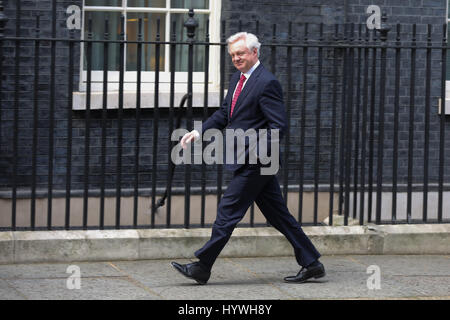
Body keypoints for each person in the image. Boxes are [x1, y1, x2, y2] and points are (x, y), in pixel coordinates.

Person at [171, 32, 325, 285]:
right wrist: (198, 132)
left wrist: (256, 153)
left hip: (255, 162)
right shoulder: (237, 79)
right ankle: (312, 263)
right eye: (232, 54)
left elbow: (279, 126)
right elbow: (224, 113)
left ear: (255, 52)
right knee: (278, 215)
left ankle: (203, 267)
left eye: (240, 53)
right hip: (249, 160)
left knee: (227, 211)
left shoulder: (267, 83)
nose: (236, 58)